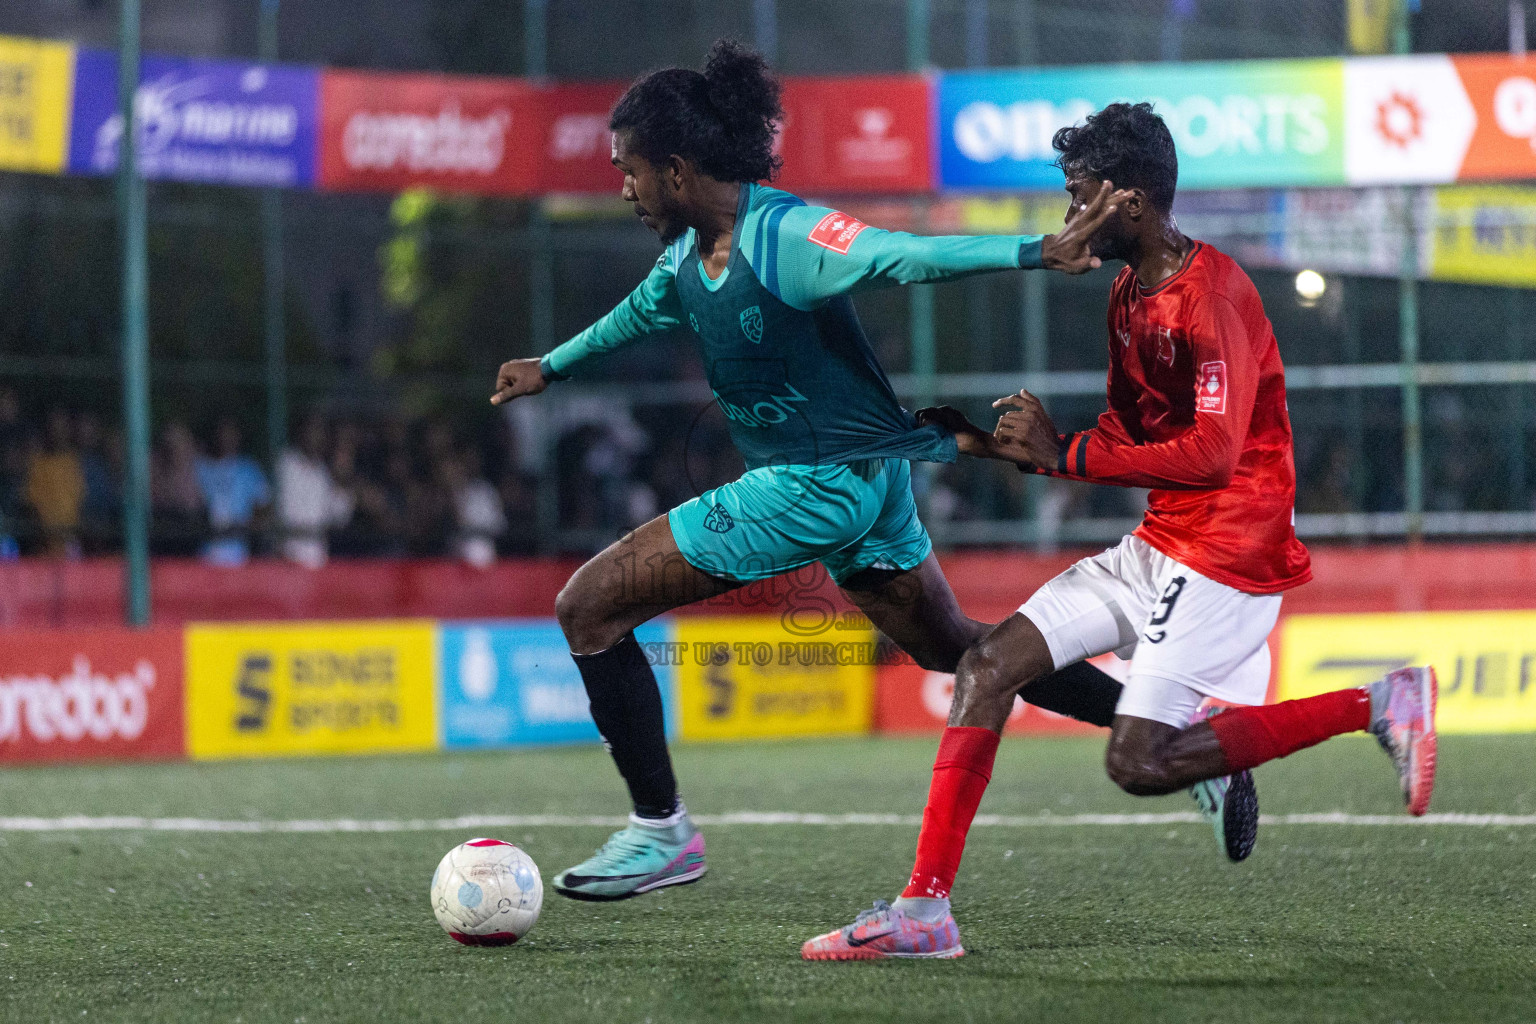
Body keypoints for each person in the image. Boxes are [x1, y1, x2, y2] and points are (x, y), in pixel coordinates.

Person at [491, 44, 1236, 903]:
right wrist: (553, 364)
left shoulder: (787, 236)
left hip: (813, 485)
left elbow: (898, 255)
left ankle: (662, 833)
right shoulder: (690, 253)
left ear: (676, 169)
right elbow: (642, 311)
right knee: (958, 650)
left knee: (587, 606)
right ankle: (1172, 728)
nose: (622, 189)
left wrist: (1033, 252)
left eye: (629, 172)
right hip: (870, 483)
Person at [801, 103, 1437, 961]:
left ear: (1128, 202)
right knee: (987, 665)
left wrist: (1061, 455)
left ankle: (1379, 702)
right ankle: (925, 913)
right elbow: (1133, 436)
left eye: (1077, 197)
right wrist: (997, 444)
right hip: (1162, 538)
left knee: (1139, 764)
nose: (1067, 217)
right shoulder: (1129, 296)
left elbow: (1212, 455)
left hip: (1229, 551)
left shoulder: (1212, 298)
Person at [195, 418, 272, 566]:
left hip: (239, 557)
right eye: (222, 433)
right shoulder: (200, 468)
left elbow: (265, 507)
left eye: (231, 433)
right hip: (203, 557)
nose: (226, 438)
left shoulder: (249, 470)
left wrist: (248, 524)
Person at [25, 407, 85, 557]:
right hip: (45, 543)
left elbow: (80, 498)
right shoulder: (39, 463)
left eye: (63, 425)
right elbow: (32, 501)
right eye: (55, 425)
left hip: (71, 539)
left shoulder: (74, 461)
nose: (59, 430)